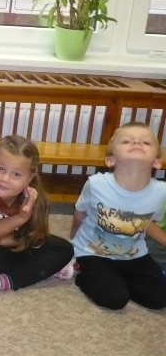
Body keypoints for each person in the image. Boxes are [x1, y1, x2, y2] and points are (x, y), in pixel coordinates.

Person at [0, 135, 75, 293]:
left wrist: (2, 240)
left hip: (13, 242)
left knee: (64, 249)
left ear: (29, 178)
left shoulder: (34, 197)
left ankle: (5, 281)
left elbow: (32, 237)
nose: (4, 179)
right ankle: (40, 268)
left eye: (16, 175)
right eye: (0, 169)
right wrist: (20, 218)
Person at [70, 122, 166, 310]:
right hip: (92, 253)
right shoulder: (96, 184)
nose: (137, 143)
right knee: (115, 300)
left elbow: (149, 223)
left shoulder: (161, 192)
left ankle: (118, 279)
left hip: (135, 254)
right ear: (110, 160)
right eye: (127, 141)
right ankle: (84, 274)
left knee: (159, 299)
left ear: (157, 162)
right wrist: (73, 239)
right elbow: (80, 212)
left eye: (146, 142)